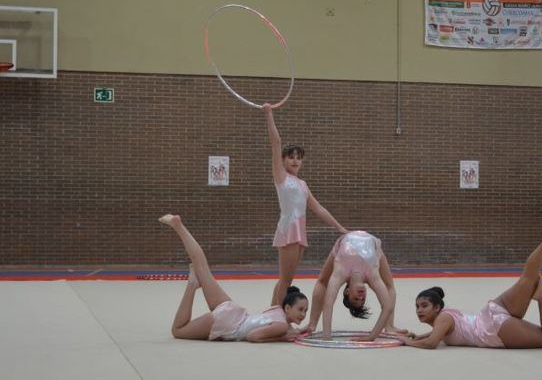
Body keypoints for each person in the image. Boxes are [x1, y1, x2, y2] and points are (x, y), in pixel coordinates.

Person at [399, 222, 542, 350]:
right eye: (417, 306)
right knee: (527, 277)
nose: (419, 310)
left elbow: (431, 343)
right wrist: (416, 337)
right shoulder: (443, 320)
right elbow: (434, 334)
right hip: (493, 309)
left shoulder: (443, 319)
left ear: (437, 308)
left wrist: (408, 342)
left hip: (492, 330)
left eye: (424, 306)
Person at [159, 214, 308, 342]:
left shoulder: (277, 308)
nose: (303, 315)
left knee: (203, 268)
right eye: (300, 309)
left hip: (234, 311)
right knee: (178, 331)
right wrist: (282, 338)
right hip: (228, 324)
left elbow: (282, 283)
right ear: (287, 307)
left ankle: (179, 227)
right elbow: (252, 336)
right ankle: (192, 285)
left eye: (305, 311)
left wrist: (305, 328)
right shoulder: (282, 326)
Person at [263, 104, 347, 306]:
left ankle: (273, 311)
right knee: (285, 280)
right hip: (288, 228)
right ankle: (279, 316)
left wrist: (338, 227)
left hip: (299, 230)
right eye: (290, 157)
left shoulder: (302, 184)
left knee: (287, 279)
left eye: (299, 158)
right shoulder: (281, 177)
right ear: (282, 160)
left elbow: (318, 209)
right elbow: (276, 142)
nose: (295, 160)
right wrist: (268, 114)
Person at [304, 230, 404, 341]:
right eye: (362, 299)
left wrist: (327, 336)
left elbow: (328, 304)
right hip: (372, 244)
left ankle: (389, 326)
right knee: (389, 285)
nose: (360, 296)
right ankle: (389, 326)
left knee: (322, 281)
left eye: (355, 298)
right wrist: (371, 337)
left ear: (347, 292)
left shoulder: (340, 273)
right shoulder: (372, 276)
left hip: (343, 243)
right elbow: (387, 307)